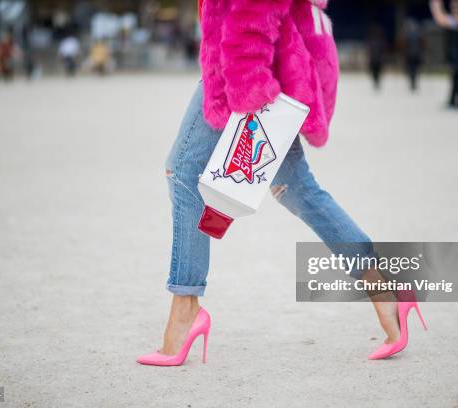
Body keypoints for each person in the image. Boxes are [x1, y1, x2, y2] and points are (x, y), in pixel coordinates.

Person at [136, 0, 426, 366]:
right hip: (257, 64)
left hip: (243, 68)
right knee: (297, 188)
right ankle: (383, 289)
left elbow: (253, 14)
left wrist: (247, 82)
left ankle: (185, 309)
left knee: (184, 172)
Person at [403, 18, 424, 92]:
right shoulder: (419, 35)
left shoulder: (407, 35)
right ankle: (414, 83)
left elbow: (405, 46)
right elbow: (422, 45)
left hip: (410, 55)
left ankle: (412, 83)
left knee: (411, 70)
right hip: (416, 55)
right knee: (415, 70)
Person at [366, 24, 387, 91]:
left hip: (374, 59)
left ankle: (376, 82)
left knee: (375, 72)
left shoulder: (371, 41)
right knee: (376, 72)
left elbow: (369, 51)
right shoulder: (380, 41)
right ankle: (376, 82)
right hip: (378, 60)